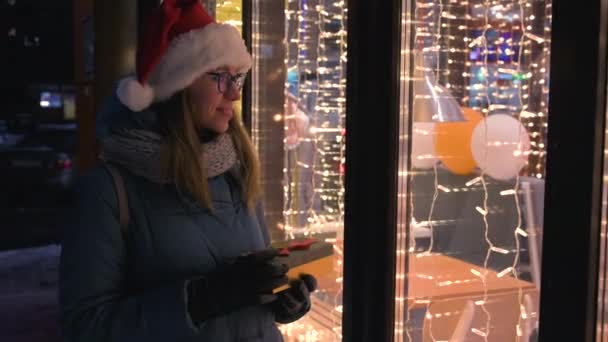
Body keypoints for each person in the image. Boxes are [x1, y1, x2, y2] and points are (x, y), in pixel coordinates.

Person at [59, 1, 316, 341]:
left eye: (238, 77)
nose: (236, 94)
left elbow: (251, 296)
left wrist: (279, 301)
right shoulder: (107, 191)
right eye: (221, 77)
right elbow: (85, 328)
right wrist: (202, 299)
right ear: (177, 84)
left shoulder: (237, 171)